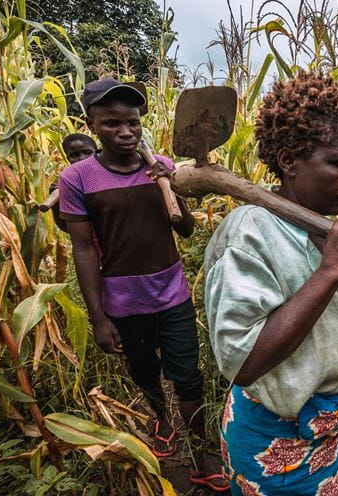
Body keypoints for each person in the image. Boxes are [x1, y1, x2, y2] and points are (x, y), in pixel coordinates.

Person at [204, 71, 338, 495]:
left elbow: (314, 316)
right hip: (277, 443)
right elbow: (242, 362)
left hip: (333, 430)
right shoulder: (250, 234)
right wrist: (331, 270)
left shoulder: (324, 226)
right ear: (288, 161)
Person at [58, 78, 228, 492]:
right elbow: (84, 250)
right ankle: (163, 420)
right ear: (92, 124)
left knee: (189, 376)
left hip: (172, 294)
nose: (126, 132)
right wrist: (98, 317)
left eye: (132, 122)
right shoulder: (78, 178)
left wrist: (169, 185)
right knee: (145, 371)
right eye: (112, 123)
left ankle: (203, 451)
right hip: (122, 303)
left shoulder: (160, 167)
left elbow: (185, 230)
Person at [50, 133, 97, 233]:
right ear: (68, 159)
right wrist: (56, 204)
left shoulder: (109, 173)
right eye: (74, 155)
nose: (82, 158)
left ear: (96, 153)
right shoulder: (68, 183)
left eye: (87, 152)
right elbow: (67, 228)